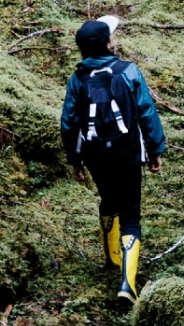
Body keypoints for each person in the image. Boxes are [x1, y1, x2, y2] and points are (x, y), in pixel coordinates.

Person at [59, 16, 166, 305]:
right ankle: (127, 285)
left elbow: (69, 122)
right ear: (108, 43)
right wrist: (155, 150)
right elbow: (146, 111)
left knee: (108, 199)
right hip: (128, 152)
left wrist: (75, 160)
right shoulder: (128, 71)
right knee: (131, 213)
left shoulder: (77, 78)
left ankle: (111, 259)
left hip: (95, 155)